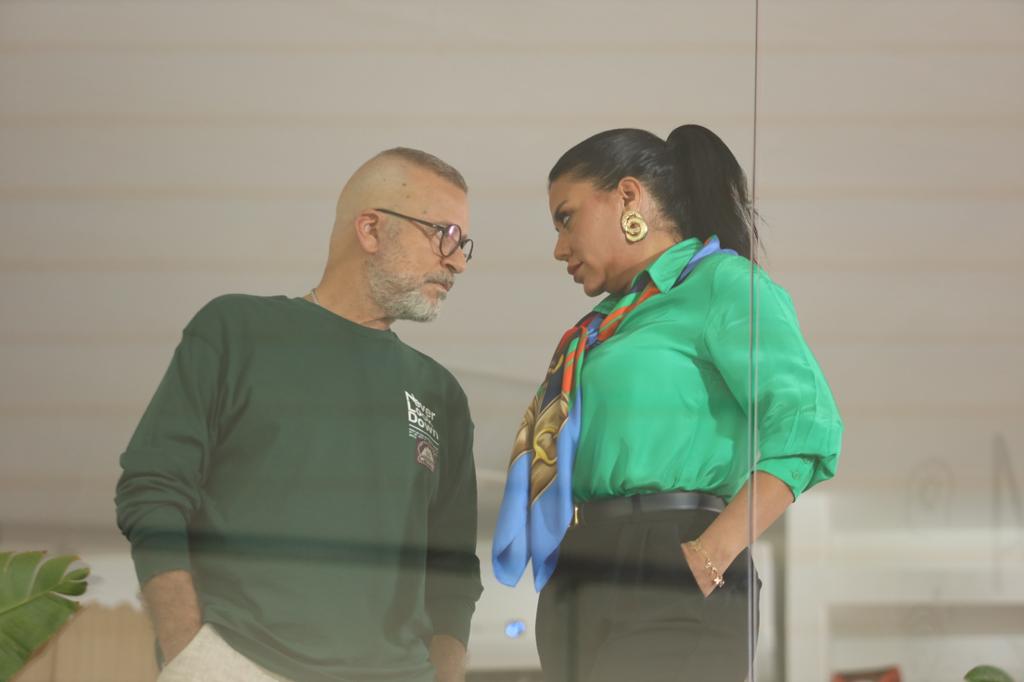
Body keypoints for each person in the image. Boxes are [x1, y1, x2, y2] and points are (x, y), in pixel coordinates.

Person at [115, 148, 483, 682]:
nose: (458, 261)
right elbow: (153, 487)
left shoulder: (441, 393)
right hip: (237, 661)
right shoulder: (236, 329)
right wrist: (190, 653)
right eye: (443, 235)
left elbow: (454, 572)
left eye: (463, 243)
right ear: (371, 230)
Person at [492, 125, 843, 681]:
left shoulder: (720, 283)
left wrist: (709, 554)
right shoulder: (599, 328)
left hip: (673, 551)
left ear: (628, 197)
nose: (559, 248)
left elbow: (808, 429)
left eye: (567, 217)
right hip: (581, 568)